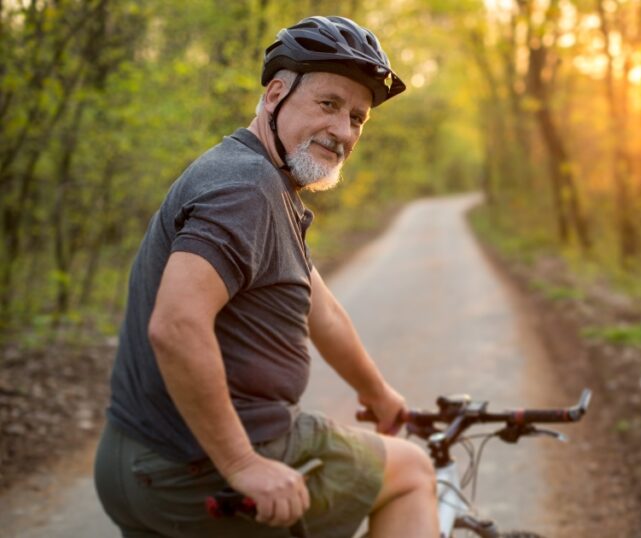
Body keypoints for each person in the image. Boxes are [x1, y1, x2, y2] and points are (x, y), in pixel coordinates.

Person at [94, 16, 439, 537]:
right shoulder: (247, 190)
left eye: (357, 118)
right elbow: (176, 326)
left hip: (134, 463)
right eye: (328, 104)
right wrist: (242, 464)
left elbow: (318, 307)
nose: (343, 131)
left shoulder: (257, 178)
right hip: (199, 470)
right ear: (276, 93)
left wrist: (378, 393)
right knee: (411, 472)